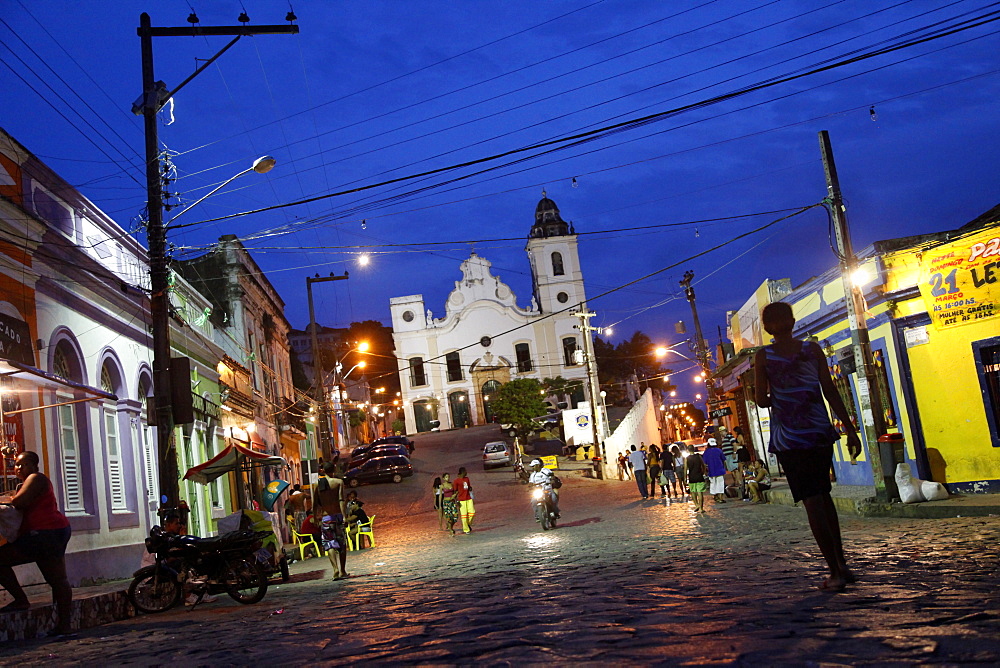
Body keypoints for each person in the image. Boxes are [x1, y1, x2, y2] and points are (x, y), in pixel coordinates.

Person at [754, 300, 862, 592]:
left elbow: (761, 400)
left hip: (791, 438)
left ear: (767, 328)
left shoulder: (764, 357)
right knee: (824, 498)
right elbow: (830, 390)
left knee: (812, 502)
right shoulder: (811, 349)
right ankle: (842, 564)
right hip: (818, 432)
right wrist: (850, 430)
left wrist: (771, 388)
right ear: (792, 320)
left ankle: (834, 572)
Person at [0, 452, 72, 636]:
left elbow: (19, 502)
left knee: (57, 579)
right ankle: (63, 625)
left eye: (23, 464)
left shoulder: (36, 478)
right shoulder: (26, 483)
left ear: (34, 465)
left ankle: (61, 623)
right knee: (57, 579)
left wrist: (8, 499)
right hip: (48, 533)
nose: (18, 468)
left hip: (45, 533)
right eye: (16, 465)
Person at [315, 461, 349, 581]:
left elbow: (315, 505)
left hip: (326, 518)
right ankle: (343, 571)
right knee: (341, 544)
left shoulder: (317, 485)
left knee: (329, 544)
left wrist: (315, 517)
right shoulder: (338, 482)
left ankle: (335, 569)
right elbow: (341, 500)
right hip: (337, 517)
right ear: (333, 470)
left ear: (323, 471)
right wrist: (344, 516)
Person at [703, 438, 727, 503]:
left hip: (711, 471)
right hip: (720, 469)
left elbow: (704, 463)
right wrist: (725, 468)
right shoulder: (719, 450)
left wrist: (705, 471)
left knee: (713, 483)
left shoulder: (706, 452)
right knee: (720, 484)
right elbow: (724, 460)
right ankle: (721, 497)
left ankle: (716, 496)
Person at [686, 446, 708, 513]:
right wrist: (704, 472)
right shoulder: (698, 456)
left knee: (693, 492)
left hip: (691, 477)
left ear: (688, 450)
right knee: (700, 492)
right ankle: (701, 508)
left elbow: (685, 469)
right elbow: (703, 465)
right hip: (699, 475)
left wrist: (685, 478)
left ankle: (696, 505)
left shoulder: (686, 458)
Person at [454, 467, 475, 534]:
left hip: (468, 498)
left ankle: (468, 524)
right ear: (462, 472)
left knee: (472, 512)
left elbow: (469, 487)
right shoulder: (456, 481)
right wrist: (456, 501)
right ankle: (466, 529)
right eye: (465, 471)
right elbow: (455, 491)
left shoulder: (467, 479)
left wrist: (470, 489)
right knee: (464, 515)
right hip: (461, 500)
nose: (466, 473)